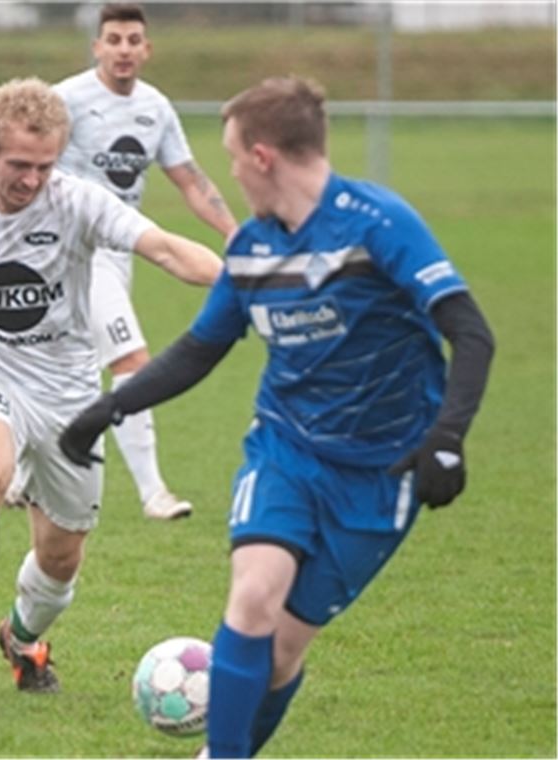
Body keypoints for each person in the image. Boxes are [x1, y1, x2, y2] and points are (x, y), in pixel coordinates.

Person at [59, 76, 495, 755]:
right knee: (254, 595)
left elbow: (471, 332)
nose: (231, 175)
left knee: (283, 653)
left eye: (234, 158)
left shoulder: (378, 223)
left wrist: (448, 437)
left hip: (383, 471)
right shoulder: (252, 250)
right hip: (286, 452)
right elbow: (200, 350)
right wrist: (108, 408)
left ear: (262, 157)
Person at [0, 77, 222, 693]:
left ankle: (22, 639)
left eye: (45, 166)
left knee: (61, 556)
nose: (31, 180)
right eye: (19, 164)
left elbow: (163, 248)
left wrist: (242, 280)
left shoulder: (79, 202)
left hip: (70, 393)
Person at [47, 2, 237, 520]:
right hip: (77, 251)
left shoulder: (156, 108)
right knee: (131, 360)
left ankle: (24, 474)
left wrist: (235, 233)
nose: (124, 49)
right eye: (114, 39)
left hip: (123, 252)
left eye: (133, 40)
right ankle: (154, 493)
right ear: (97, 47)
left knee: (72, 364)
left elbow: (190, 181)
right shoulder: (67, 100)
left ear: (147, 49)